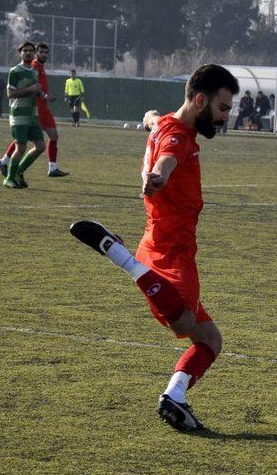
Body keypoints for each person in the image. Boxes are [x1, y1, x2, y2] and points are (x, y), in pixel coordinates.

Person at [70, 64, 239, 432]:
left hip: (157, 241)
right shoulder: (178, 137)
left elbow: (152, 120)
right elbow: (168, 158)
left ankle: (174, 397)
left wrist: (148, 119)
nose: (226, 116)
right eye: (223, 108)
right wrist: (158, 177)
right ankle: (122, 258)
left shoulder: (165, 123)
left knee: (210, 339)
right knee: (184, 321)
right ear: (199, 100)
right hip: (172, 249)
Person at [0, 43, 69, 178]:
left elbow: (38, 88)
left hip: (43, 107)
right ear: (36, 53)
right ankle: (6, 163)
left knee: (49, 137)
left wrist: (46, 96)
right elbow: (29, 87)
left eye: (46, 53)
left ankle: (52, 167)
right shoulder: (32, 67)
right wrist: (42, 95)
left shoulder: (38, 67)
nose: (43, 55)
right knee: (22, 140)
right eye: (41, 52)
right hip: (35, 109)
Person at [3, 41, 46, 189]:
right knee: (20, 148)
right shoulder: (15, 71)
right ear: (20, 53)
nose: (28, 53)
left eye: (30, 51)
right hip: (19, 116)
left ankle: (19, 171)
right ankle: (8, 178)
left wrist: (43, 95)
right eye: (25, 51)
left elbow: (34, 90)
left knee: (40, 146)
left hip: (32, 115)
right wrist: (31, 88)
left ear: (34, 54)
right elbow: (10, 94)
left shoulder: (34, 71)